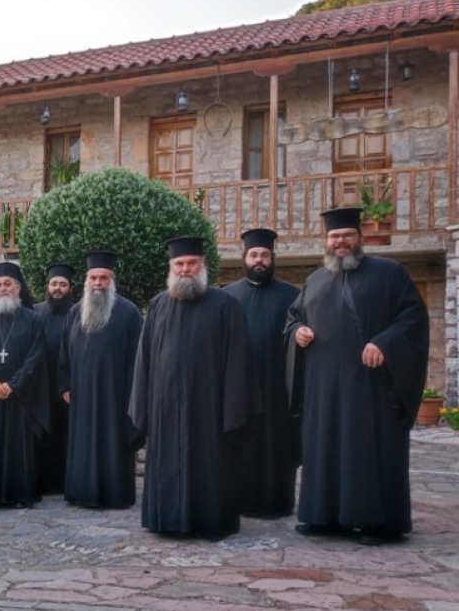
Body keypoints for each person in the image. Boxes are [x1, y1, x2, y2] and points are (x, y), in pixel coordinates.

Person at [286, 207, 429, 545]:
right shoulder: (315, 280)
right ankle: (323, 517)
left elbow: (413, 318)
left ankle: (376, 523)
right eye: (334, 237)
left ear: (360, 238)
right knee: (325, 448)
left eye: (347, 236)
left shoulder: (390, 273)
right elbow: (294, 316)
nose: (340, 242)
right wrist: (298, 331)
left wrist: (385, 342)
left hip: (371, 389)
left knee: (368, 449)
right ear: (326, 241)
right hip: (324, 389)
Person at [130, 237, 251, 539]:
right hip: (165, 407)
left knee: (209, 465)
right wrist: (141, 406)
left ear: (203, 266)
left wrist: (233, 411)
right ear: (171, 268)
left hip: (209, 407)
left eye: (191, 263)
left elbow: (238, 361)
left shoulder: (226, 305)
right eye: (179, 264)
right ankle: (166, 519)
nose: (185, 269)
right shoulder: (157, 305)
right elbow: (143, 359)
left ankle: (210, 522)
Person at [223, 229, 302, 518]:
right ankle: (238, 501)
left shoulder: (293, 296)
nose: (259, 260)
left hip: (278, 390)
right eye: (254, 254)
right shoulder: (226, 298)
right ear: (244, 258)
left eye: (264, 255)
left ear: (272, 258)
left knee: (276, 448)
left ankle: (277, 502)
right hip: (239, 388)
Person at [58, 251, 143, 509]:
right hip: (81, 393)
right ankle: (80, 491)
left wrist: (134, 393)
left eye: (103, 278)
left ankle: (115, 494)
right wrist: (65, 385)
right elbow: (64, 352)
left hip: (115, 395)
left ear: (112, 280)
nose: (97, 283)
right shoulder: (74, 312)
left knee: (113, 443)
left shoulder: (129, 312)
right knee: (82, 442)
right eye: (93, 277)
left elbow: (139, 356)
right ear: (86, 280)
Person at [0, 263, 48, 508]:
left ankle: (21, 495)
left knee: (21, 448)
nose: (3, 289)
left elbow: (36, 358)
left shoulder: (33, 320)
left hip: (21, 398)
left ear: (18, 288)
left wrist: (14, 384)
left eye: (8, 284)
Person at [38, 261, 76, 496]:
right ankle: (42, 482)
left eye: (63, 284)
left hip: (67, 387)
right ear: (47, 286)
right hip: (40, 385)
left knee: (66, 435)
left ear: (70, 288)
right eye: (54, 284)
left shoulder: (78, 313)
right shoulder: (34, 311)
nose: (58, 288)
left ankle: (66, 482)